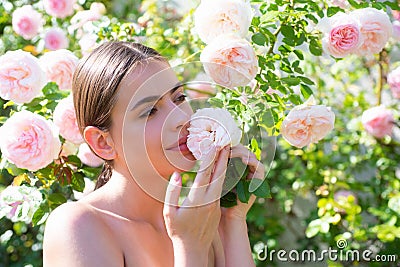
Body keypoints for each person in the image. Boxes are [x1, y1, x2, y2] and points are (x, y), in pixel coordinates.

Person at [43, 41, 265, 267]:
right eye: (151, 111)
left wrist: (232, 220)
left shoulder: (198, 223)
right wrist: (191, 250)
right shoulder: (78, 226)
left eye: (179, 98)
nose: (180, 118)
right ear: (103, 142)